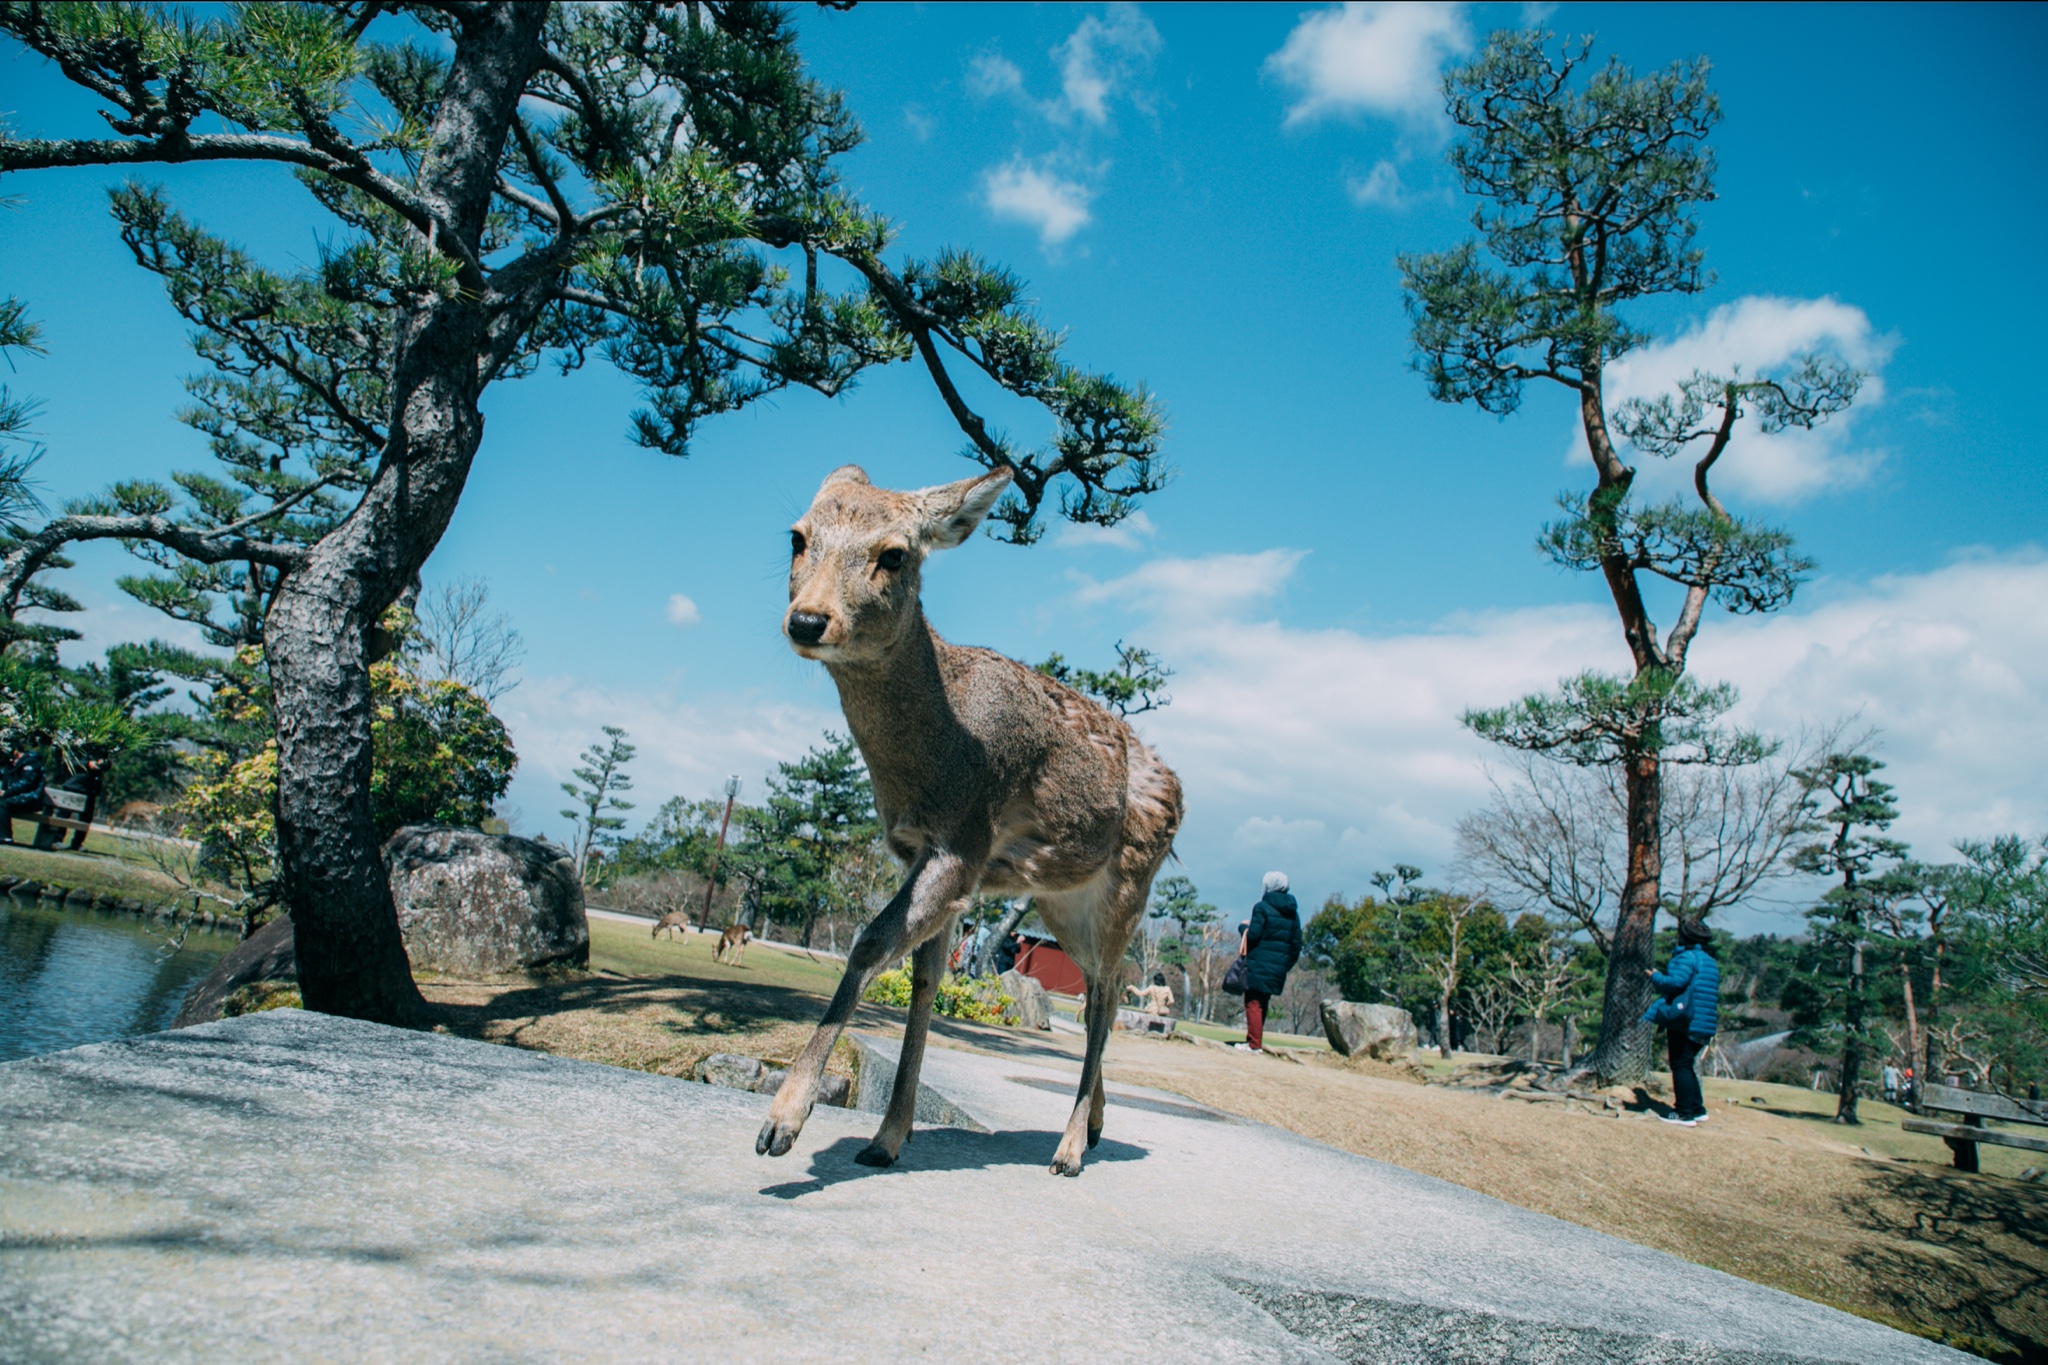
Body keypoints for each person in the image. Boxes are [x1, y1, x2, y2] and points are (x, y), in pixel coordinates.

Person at [1644, 917, 1720, 1126]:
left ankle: (1684, 1113)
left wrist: (1655, 976)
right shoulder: (1709, 960)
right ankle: (1697, 1109)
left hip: (1686, 1021)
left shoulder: (1687, 957)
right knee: (1687, 1064)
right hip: (1704, 1022)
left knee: (1680, 1065)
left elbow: (1675, 983)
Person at [1234, 871, 1302, 1053]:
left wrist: (1243, 927)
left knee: (1253, 1002)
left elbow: (1253, 935)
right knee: (1263, 1002)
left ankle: (1254, 1044)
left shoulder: (1262, 907)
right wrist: (1285, 965)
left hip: (1259, 963)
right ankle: (1254, 1040)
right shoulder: (1293, 913)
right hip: (1278, 967)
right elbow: (1296, 944)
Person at [0, 741, 45, 846]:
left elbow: (26, 783)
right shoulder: (10, 764)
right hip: (15, 798)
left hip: (31, 798)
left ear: (15, 750)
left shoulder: (32, 762)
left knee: (2, 804)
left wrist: (6, 793)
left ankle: (5, 837)